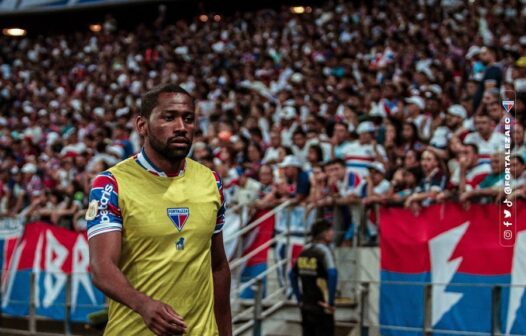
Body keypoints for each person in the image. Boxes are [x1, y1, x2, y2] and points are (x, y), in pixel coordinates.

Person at [87, 84, 232, 336]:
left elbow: (218, 266)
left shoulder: (211, 182)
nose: (181, 127)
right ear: (142, 125)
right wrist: (143, 304)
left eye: (188, 119)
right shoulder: (111, 185)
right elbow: (102, 268)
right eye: (169, 117)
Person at [290, 219, 338, 336]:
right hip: (321, 305)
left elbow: (292, 274)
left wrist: (299, 298)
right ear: (325, 233)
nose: (333, 233)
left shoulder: (304, 250)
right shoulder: (324, 251)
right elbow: (332, 274)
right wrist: (330, 302)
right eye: (331, 230)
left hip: (306, 305)